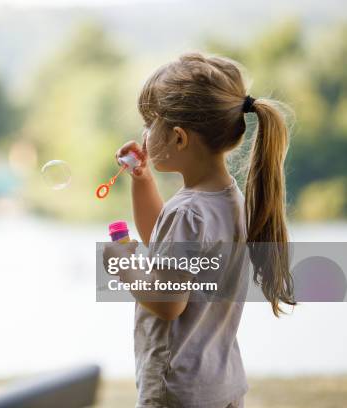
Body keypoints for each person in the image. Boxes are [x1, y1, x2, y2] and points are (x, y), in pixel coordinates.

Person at [103, 53, 296, 408]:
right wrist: (143, 181)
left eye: (151, 123)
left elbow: (168, 302)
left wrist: (123, 266)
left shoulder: (190, 210)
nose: (144, 135)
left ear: (178, 138)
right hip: (219, 384)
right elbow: (162, 246)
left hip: (177, 390)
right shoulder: (227, 199)